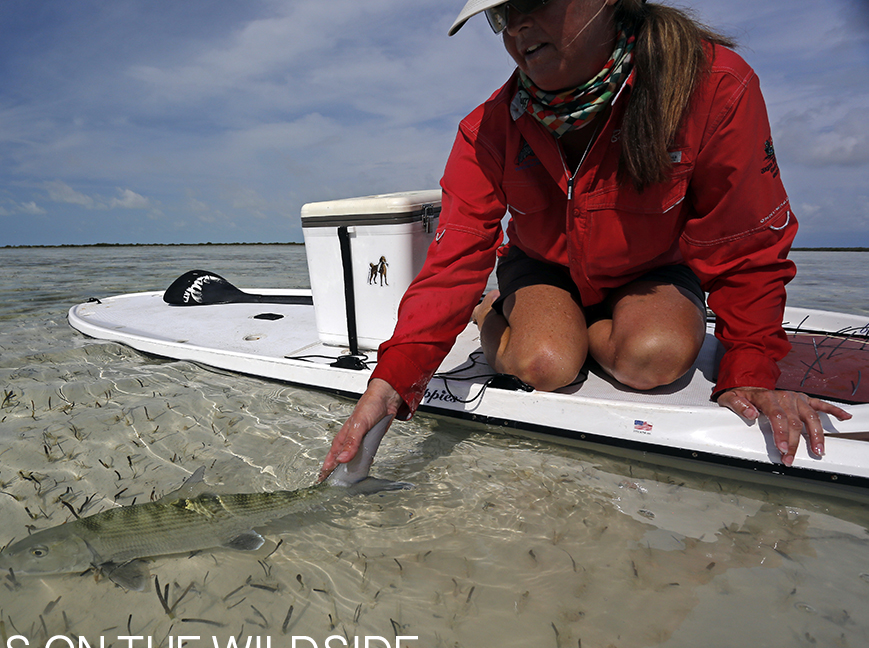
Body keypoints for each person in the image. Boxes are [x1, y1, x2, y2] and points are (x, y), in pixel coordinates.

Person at [320, 0, 852, 480]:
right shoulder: (485, 128)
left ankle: (578, 325)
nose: (517, 25)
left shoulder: (715, 85)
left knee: (656, 360)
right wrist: (386, 386)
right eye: (501, 15)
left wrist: (752, 370)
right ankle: (492, 311)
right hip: (543, 267)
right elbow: (455, 257)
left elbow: (748, 243)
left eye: (535, 1)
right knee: (546, 363)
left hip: (651, 271)